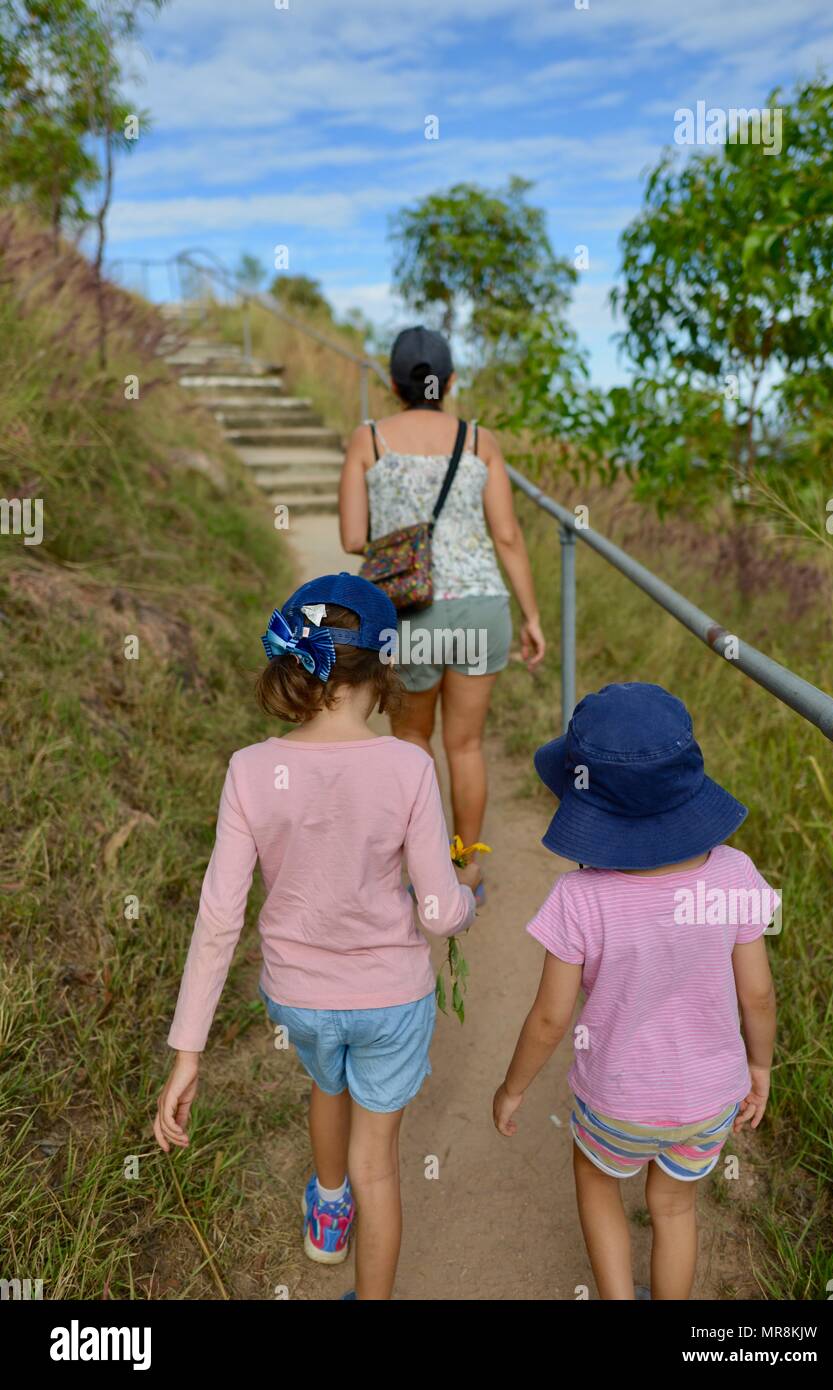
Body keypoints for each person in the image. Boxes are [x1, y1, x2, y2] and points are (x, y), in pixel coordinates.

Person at [154, 572, 479, 1301]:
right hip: (391, 1001)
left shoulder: (249, 769)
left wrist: (187, 1052)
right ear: (383, 668)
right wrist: (465, 906)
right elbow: (435, 909)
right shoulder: (407, 764)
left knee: (324, 1078)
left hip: (298, 998)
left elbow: (219, 918)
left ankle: (328, 1210)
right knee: (381, 1166)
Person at [493, 682, 778, 1300]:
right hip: (709, 1099)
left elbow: (549, 1019)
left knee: (597, 1183)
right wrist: (759, 1065)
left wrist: (513, 1088)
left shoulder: (580, 897)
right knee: (675, 1209)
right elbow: (756, 995)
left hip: (617, 1098)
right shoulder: (735, 875)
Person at [339, 325, 545, 904]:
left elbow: (355, 536)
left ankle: (419, 872)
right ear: (449, 382)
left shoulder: (368, 439)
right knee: (467, 746)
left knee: (410, 740)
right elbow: (506, 535)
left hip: (408, 614)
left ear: (392, 384)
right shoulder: (480, 440)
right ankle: (466, 873)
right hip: (481, 608)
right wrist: (531, 615)